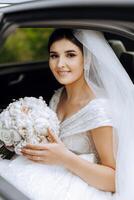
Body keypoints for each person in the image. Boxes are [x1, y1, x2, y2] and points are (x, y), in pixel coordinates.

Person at [0, 28, 133, 200]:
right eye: (54, 55)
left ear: (87, 59)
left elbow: (113, 180)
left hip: (77, 183)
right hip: (46, 170)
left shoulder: (99, 110)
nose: (60, 64)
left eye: (70, 55)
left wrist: (65, 158)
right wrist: (24, 129)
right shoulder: (58, 95)